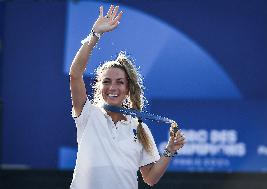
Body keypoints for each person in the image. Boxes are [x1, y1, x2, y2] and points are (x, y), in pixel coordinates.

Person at [69, 5, 185, 189]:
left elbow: (150, 178)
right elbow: (75, 74)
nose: (112, 87)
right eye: (106, 81)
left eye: (119, 82)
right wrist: (94, 35)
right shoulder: (88, 114)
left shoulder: (140, 128)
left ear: (128, 88)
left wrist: (170, 150)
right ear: (99, 87)